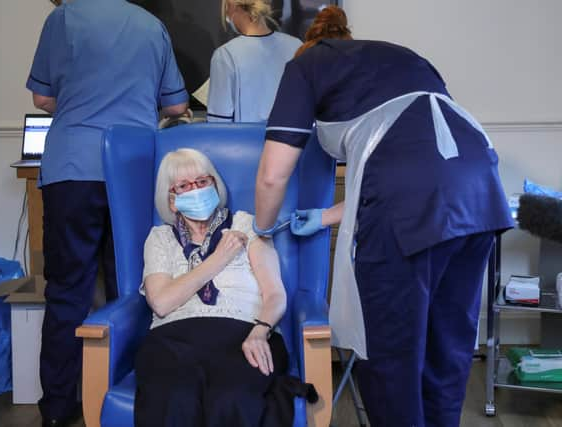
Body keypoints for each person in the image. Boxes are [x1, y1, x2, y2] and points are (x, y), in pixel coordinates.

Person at [253, 6, 514, 427]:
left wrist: (260, 228)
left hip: (412, 207)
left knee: (390, 352)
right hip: (479, 190)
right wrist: (324, 217)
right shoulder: (402, 58)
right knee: (447, 346)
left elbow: (271, 176)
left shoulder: (305, 67)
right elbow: (419, 161)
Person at [26, 1, 188, 425]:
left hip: (72, 169)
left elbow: (43, 96)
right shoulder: (152, 26)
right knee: (133, 289)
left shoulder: (63, 18)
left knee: (66, 292)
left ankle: (58, 410)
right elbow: (175, 106)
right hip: (131, 170)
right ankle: (130, 400)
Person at [135, 148, 289, 427]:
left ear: (215, 186)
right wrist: (220, 258)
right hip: (173, 341)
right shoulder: (159, 239)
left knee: (233, 398)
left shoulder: (247, 224)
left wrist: (260, 332)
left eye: (202, 181)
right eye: (183, 186)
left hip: (244, 333)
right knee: (172, 398)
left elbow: (276, 294)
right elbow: (161, 303)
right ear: (171, 201)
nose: (195, 189)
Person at [206, 0, 301, 123]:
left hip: (245, 141)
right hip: (293, 140)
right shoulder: (297, 46)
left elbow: (218, 123)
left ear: (233, 6)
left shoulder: (225, 55)